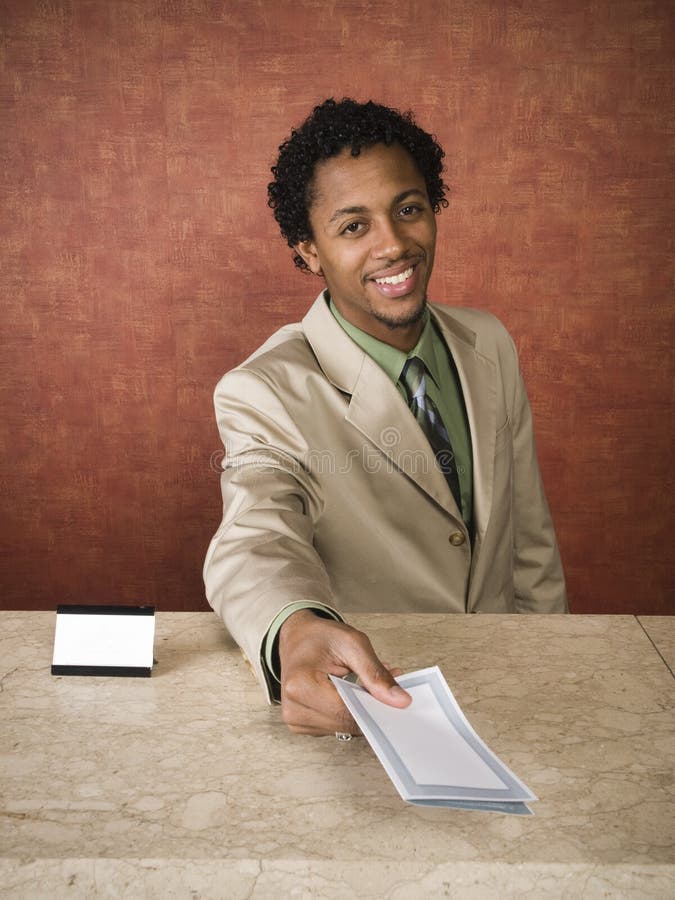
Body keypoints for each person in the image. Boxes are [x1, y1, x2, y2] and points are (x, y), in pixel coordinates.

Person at [204, 98, 567, 738]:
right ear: (308, 251)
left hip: (519, 695)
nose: (394, 245)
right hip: (381, 706)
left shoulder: (489, 343)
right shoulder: (264, 389)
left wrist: (553, 664)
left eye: (408, 209)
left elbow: (528, 542)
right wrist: (295, 627)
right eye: (352, 227)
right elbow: (256, 533)